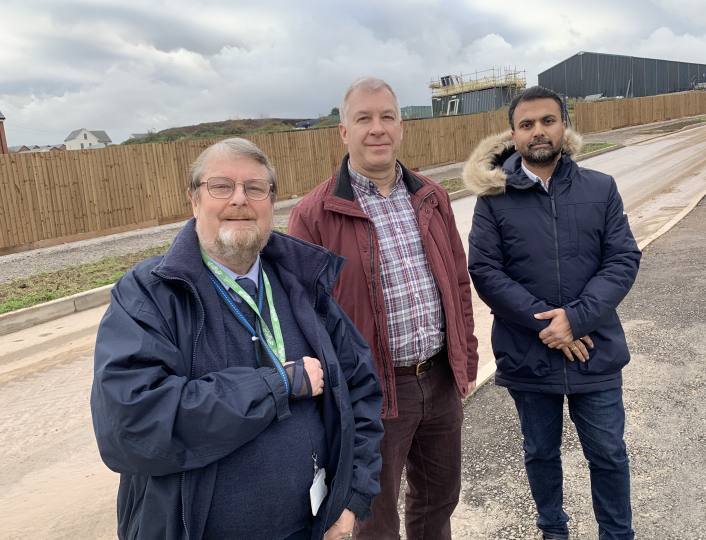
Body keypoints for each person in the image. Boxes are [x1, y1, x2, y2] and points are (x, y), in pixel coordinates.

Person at [90, 138, 384, 540]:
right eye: (221, 186)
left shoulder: (301, 282)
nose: (240, 200)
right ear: (194, 201)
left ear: (271, 203)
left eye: (255, 188)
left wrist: (351, 501)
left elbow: (362, 390)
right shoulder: (149, 295)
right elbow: (130, 427)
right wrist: (276, 385)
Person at [289, 76, 478, 540]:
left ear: (401, 126)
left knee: (438, 501)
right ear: (343, 132)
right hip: (372, 392)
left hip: (438, 379)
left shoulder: (431, 196)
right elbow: (303, 319)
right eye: (364, 118)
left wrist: (465, 360)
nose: (378, 128)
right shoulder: (314, 214)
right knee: (374, 518)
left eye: (387, 117)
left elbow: (457, 283)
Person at [463, 86, 641, 540]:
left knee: (609, 455)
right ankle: (553, 531)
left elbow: (622, 259)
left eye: (547, 121)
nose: (537, 131)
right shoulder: (493, 199)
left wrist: (576, 319)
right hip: (529, 355)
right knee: (540, 453)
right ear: (514, 134)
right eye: (526, 125)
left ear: (564, 125)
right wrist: (552, 324)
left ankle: (617, 535)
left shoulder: (600, 188)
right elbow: (485, 271)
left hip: (594, 352)